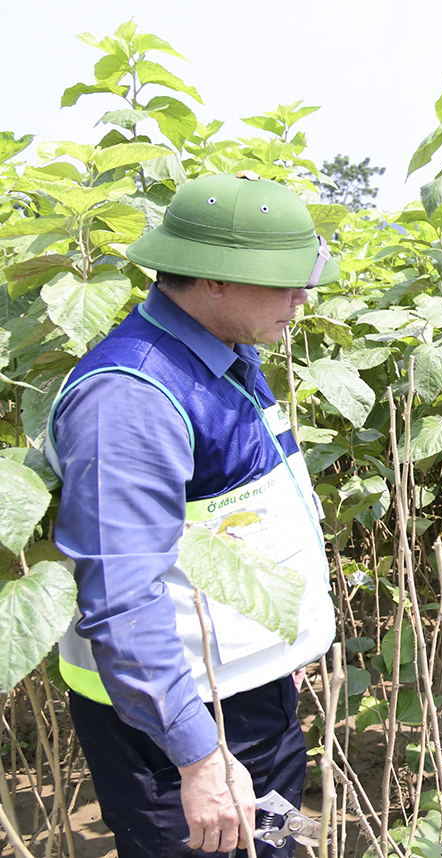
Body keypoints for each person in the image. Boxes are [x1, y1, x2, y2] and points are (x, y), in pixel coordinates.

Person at [46, 172, 339, 856]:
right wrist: (199, 759)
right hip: (180, 733)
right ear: (213, 279)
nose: (303, 297)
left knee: (278, 840)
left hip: (250, 698)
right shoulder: (131, 397)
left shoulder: (227, 352)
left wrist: (283, 646)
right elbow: (122, 597)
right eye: (286, 281)